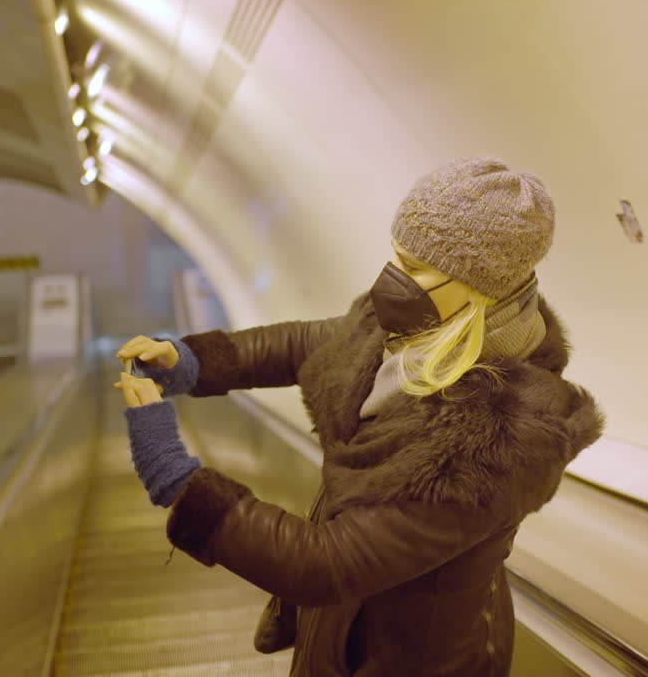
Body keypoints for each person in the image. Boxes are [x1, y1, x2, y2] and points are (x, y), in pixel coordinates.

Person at [115, 157, 604, 676]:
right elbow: (311, 343)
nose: (392, 280)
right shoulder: (416, 329)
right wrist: (191, 362)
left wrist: (174, 474)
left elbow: (328, 565)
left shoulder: (503, 435)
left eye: (415, 268)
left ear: (481, 284)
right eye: (397, 258)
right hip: (347, 631)